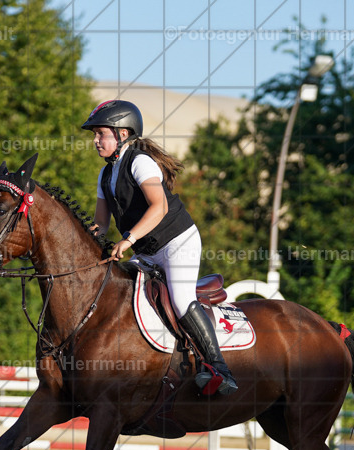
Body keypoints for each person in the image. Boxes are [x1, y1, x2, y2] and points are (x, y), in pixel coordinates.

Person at [82, 99, 238, 395]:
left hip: (178, 242)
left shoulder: (140, 162)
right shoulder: (105, 174)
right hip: (147, 251)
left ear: (123, 134)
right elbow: (100, 224)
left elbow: (159, 207)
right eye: (95, 134)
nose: (95, 140)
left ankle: (220, 368)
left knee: (180, 299)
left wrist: (128, 239)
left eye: (100, 133)